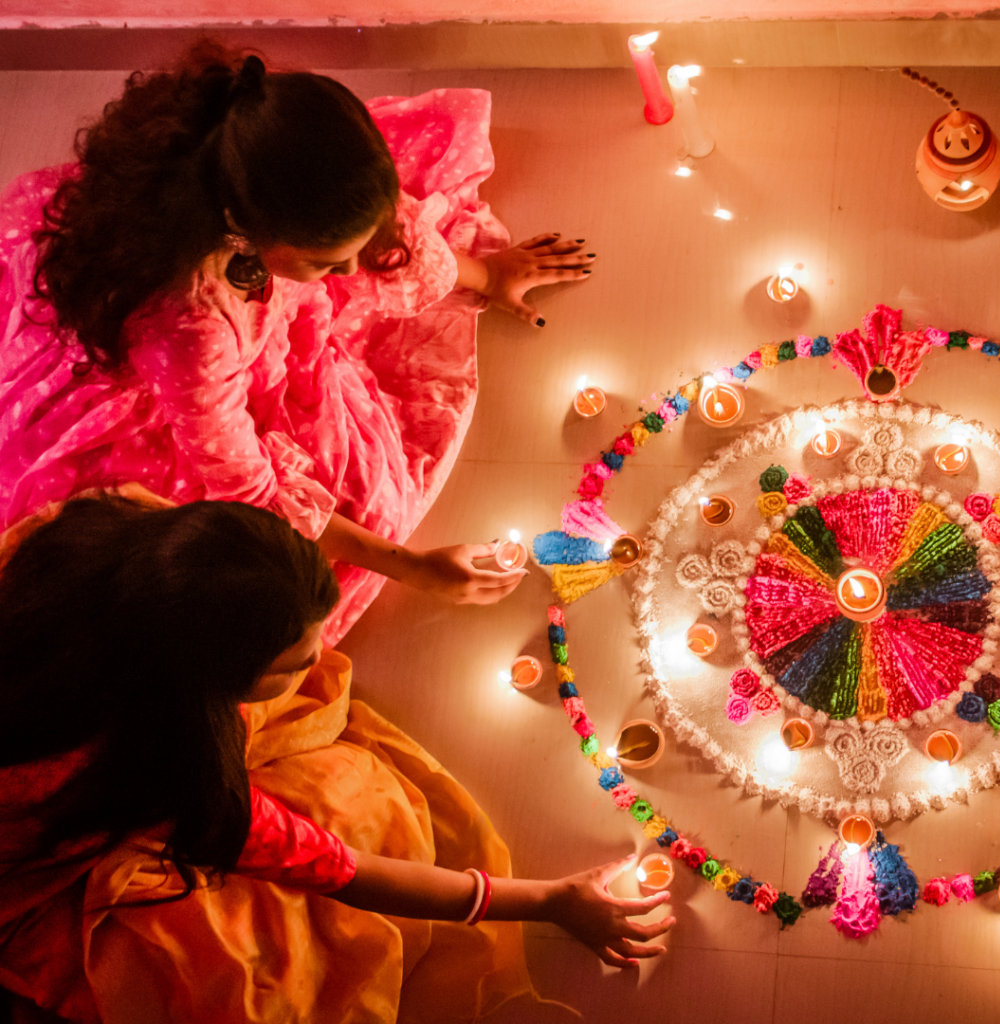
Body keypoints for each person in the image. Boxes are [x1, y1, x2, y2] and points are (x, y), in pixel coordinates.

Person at [0, 42, 597, 647]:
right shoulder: (189, 331)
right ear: (243, 230)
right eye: (326, 263)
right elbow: (251, 494)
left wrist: (489, 277)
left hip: (221, 309)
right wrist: (412, 566)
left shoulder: (258, 156)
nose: (345, 280)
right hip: (162, 396)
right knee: (349, 517)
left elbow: (387, 237)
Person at [0, 493, 673, 1024]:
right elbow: (344, 871)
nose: (321, 658)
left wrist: (411, 564)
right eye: (293, 663)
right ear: (206, 683)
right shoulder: (165, 773)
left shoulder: (79, 538)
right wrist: (551, 900)